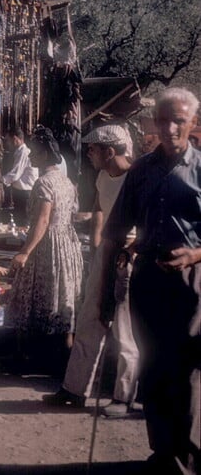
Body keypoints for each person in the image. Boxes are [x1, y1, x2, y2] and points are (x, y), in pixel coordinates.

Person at [101, 87, 201, 474]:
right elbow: (115, 231)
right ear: (155, 123)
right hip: (147, 281)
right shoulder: (141, 170)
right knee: (154, 366)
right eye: (164, 120)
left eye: (180, 119)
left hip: (192, 282)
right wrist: (105, 291)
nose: (171, 127)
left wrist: (193, 254)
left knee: (188, 369)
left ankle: (188, 458)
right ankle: (162, 452)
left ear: (192, 122)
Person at [45, 124, 140, 416]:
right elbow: (99, 209)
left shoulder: (137, 179)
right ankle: (74, 389)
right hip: (107, 250)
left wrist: (125, 253)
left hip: (130, 253)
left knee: (124, 328)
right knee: (90, 318)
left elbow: (149, 221)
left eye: (94, 148)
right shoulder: (102, 176)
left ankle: (123, 397)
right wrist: (98, 247)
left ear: (110, 151)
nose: (89, 152)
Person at [3, 125, 84, 362]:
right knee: (62, 295)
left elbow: (44, 219)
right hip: (67, 244)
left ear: (45, 155)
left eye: (35, 153)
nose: (30, 157)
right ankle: (62, 357)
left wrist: (25, 252)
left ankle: (25, 355)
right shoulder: (65, 181)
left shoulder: (43, 183)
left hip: (49, 245)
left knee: (33, 295)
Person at [2, 126, 38, 226]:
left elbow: (15, 174)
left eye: (8, 141)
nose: (7, 144)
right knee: (20, 222)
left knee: (24, 223)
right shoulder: (19, 152)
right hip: (21, 193)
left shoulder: (23, 152)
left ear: (15, 139)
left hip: (25, 194)